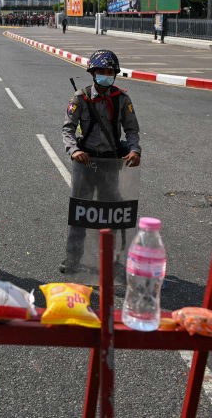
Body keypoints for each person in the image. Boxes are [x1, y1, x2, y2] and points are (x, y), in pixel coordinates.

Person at [61, 49, 141, 273]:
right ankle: (73, 258)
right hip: (85, 163)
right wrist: (73, 150)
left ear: (114, 74)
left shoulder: (122, 99)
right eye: (101, 71)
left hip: (110, 165)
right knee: (80, 213)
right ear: (93, 72)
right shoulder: (80, 97)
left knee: (110, 216)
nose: (105, 74)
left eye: (109, 71)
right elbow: (67, 129)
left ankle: (110, 259)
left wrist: (135, 149)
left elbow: (132, 130)